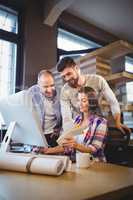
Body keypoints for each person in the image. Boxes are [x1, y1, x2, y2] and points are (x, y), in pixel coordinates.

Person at [56, 56, 130, 134]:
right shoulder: (64, 90)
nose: (67, 78)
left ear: (76, 68)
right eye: (64, 76)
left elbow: (112, 101)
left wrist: (117, 122)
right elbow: (66, 116)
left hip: (96, 124)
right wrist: (69, 133)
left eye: (69, 74)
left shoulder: (98, 80)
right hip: (78, 126)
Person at [33, 86, 107, 162]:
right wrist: (47, 150)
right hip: (77, 162)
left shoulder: (100, 122)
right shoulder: (77, 120)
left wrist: (76, 145)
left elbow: (95, 148)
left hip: (94, 164)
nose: (79, 104)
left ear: (92, 102)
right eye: (78, 100)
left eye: (83, 101)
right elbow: (67, 146)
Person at [28, 70, 62, 147]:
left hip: (53, 135)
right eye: (45, 87)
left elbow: (65, 115)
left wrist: (59, 130)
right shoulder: (31, 92)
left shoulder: (59, 93)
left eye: (52, 85)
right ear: (38, 85)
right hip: (37, 135)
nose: (50, 90)